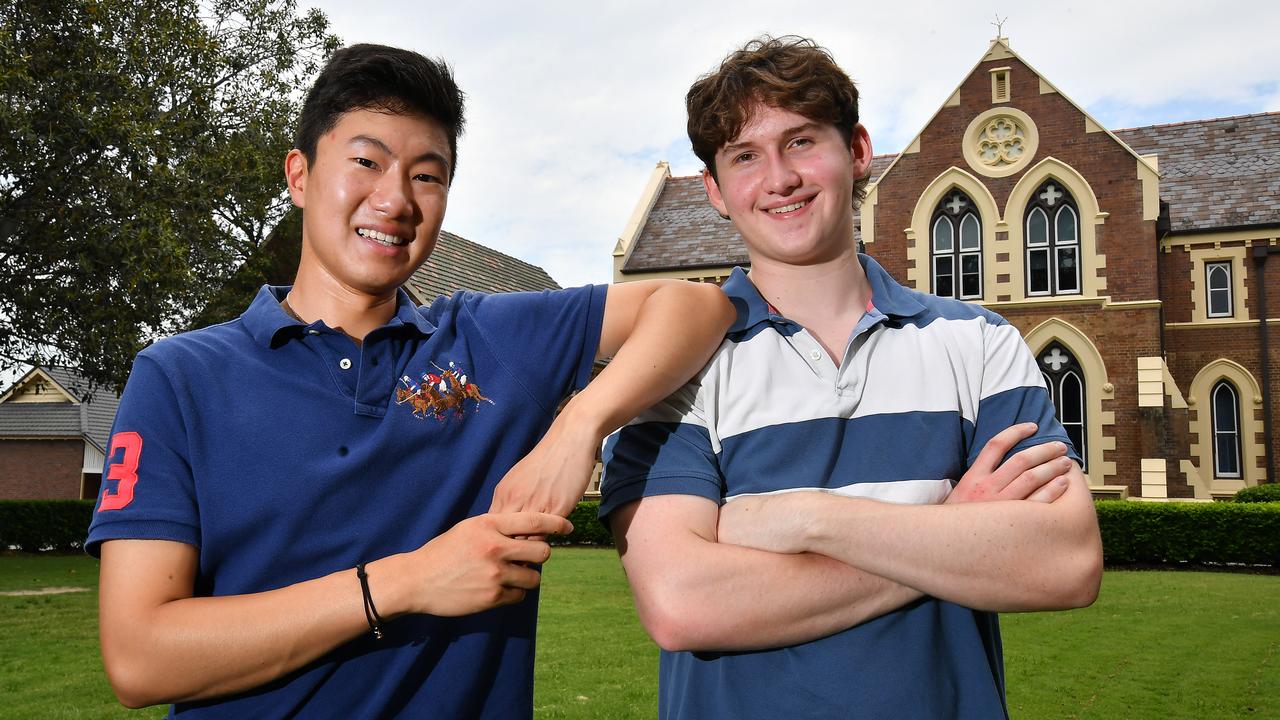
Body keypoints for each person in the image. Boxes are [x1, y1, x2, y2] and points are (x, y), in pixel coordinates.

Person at [87, 43, 733, 718]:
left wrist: (576, 428)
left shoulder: (489, 341)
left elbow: (696, 305)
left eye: (428, 176)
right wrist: (407, 581)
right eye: (366, 162)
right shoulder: (179, 379)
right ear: (300, 175)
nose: (395, 200)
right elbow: (140, 658)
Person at [599, 36, 1102, 719]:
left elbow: (1064, 563)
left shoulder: (978, 344)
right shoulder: (673, 366)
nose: (779, 179)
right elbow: (682, 603)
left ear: (857, 151)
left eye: (802, 141)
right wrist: (949, 530)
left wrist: (798, 518)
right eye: (746, 156)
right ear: (715, 191)